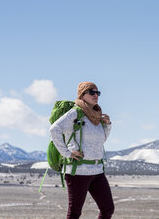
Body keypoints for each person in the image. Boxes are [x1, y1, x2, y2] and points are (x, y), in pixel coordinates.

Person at [50, 82, 114, 219]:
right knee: (74, 213)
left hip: (97, 170)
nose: (96, 95)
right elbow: (54, 130)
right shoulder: (75, 113)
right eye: (92, 92)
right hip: (78, 170)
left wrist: (107, 126)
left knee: (108, 209)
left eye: (98, 93)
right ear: (82, 95)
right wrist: (67, 153)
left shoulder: (96, 116)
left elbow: (100, 141)